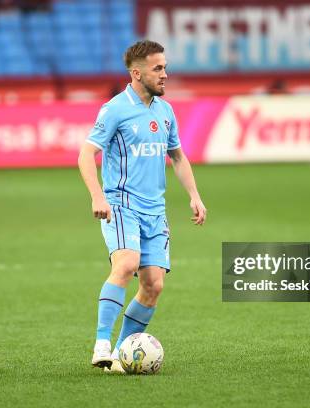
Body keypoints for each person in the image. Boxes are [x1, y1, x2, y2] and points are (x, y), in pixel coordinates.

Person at [78, 40, 207, 373]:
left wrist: (194, 194)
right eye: (158, 69)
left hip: (155, 212)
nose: (165, 74)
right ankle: (102, 344)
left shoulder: (165, 112)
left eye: (165, 67)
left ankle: (121, 354)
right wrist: (97, 195)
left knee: (153, 285)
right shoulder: (115, 109)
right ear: (137, 73)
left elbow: (177, 156)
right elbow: (85, 154)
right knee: (126, 264)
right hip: (121, 205)